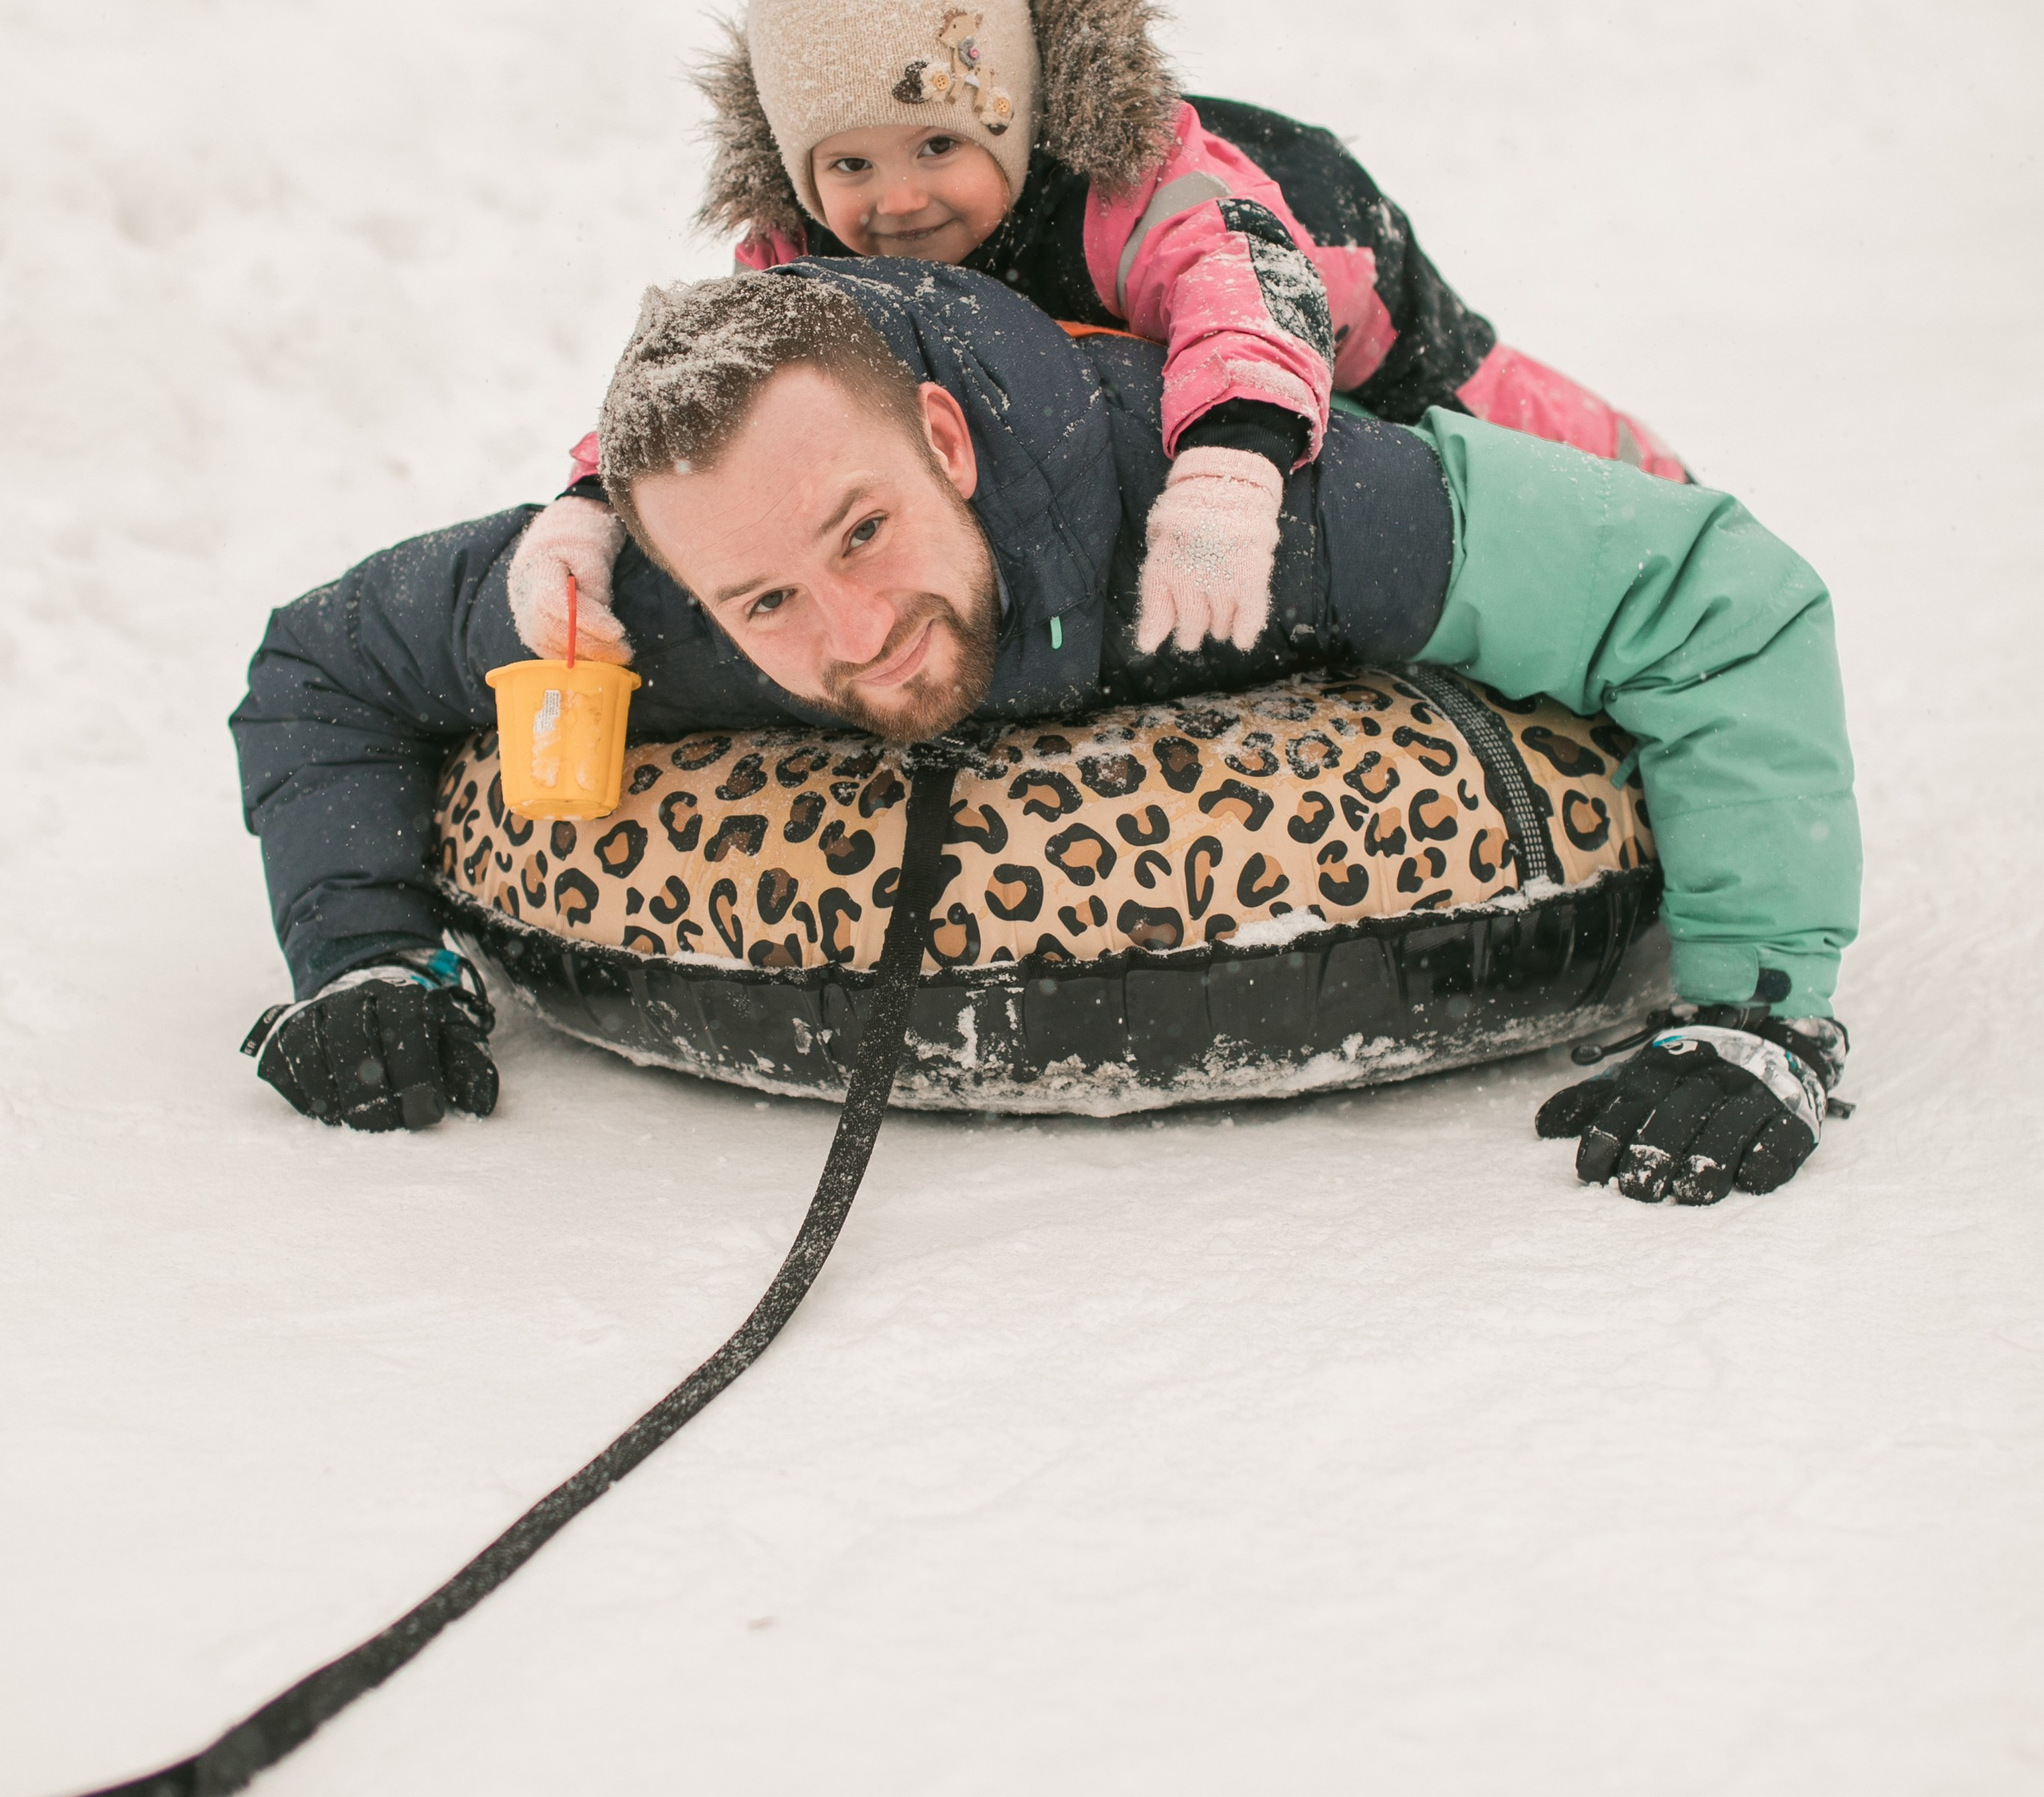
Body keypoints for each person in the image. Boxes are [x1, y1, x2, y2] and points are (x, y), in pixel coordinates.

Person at [233, 262, 1856, 1208]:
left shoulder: (1232, 507)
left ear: (939, 439)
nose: (847, 635)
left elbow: (1713, 589)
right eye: (768, 605)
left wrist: (1753, 1012)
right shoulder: (648, 591)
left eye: (863, 535)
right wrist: (365, 956)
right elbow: (319, 664)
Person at [509, 0, 1684, 676]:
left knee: (1461, 423)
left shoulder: (1128, 184)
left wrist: (1230, 465)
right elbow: (717, 393)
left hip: (1317, 276)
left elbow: (1245, 298)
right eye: (849, 168)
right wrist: (589, 507)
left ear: (1011, 114)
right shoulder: (803, 254)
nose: (898, 201)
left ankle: (1661, 499)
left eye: (935, 145)